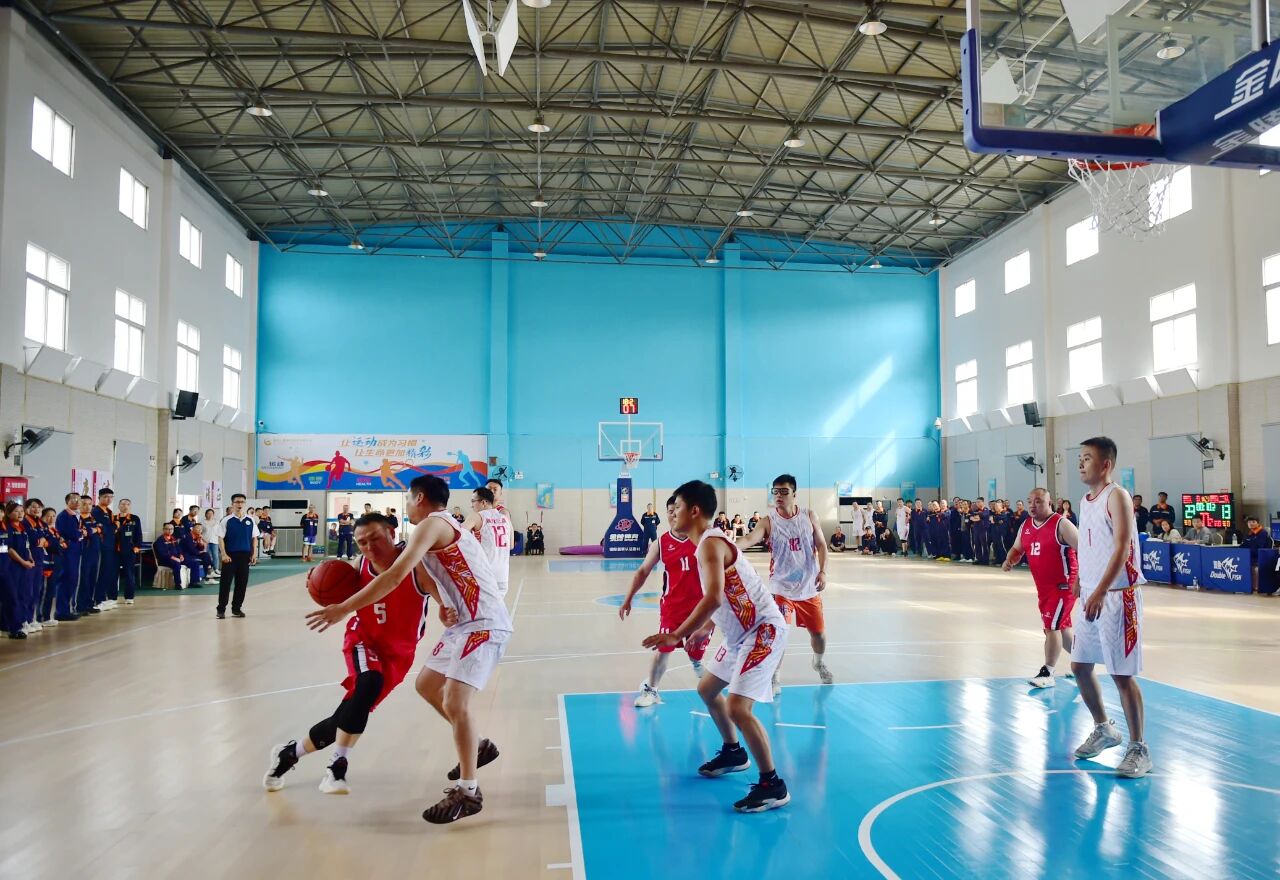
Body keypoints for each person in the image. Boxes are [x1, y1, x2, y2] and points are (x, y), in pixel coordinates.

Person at [306, 474, 513, 825]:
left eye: (407, 499)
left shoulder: (433, 524)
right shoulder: (440, 527)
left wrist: (343, 608)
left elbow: (394, 576)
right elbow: (438, 577)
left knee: (455, 702)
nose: (405, 506)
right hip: (463, 623)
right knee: (427, 685)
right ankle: (478, 745)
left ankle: (468, 791)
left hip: (483, 622)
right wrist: (444, 605)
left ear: (418, 498)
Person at [642, 480, 790, 813]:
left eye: (678, 507)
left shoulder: (710, 543)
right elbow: (727, 593)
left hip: (763, 630)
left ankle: (773, 785)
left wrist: (677, 634)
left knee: (738, 708)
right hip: (740, 635)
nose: (673, 513)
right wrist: (707, 627)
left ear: (694, 511)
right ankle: (734, 752)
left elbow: (711, 598)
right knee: (707, 689)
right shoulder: (706, 545)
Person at [265, 513, 435, 796]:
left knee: (344, 718)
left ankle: (289, 753)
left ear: (392, 533)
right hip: (363, 640)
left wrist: (448, 609)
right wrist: (322, 584)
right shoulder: (359, 565)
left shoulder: (415, 563)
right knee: (369, 682)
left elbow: (439, 594)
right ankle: (336, 769)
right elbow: (336, 583)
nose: (369, 547)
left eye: (375, 538)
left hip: (399, 655)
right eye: (361, 542)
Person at [1071, 437, 1150, 778]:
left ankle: (1139, 747)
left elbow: (1121, 547)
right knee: (1079, 666)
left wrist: (1101, 589)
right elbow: (1089, 546)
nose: (1080, 463)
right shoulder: (1084, 500)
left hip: (1117, 595)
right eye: (1080, 458)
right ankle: (1104, 728)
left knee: (1121, 674)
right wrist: (1081, 581)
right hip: (1091, 593)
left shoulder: (1117, 496)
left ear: (1105, 464)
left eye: (1087, 458)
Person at [736, 473, 831, 692]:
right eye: (775, 492)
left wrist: (823, 572)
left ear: (794, 494)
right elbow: (749, 539)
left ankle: (818, 662)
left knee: (818, 634)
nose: (779, 495)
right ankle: (774, 676)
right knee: (779, 634)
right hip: (781, 588)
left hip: (808, 587)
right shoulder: (768, 521)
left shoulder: (809, 516)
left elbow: (822, 545)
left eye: (784, 491)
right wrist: (727, 545)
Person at [621, 496, 714, 707]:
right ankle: (651, 690)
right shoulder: (661, 543)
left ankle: (696, 660)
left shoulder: (703, 539)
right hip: (672, 608)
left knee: (696, 647)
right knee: (663, 649)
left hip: (701, 608)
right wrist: (628, 598)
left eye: (677, 510)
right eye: (670, 511)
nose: (673, 514)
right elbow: (642, 571)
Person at [1003, 489, 1079, 689]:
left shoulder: (1061, 524)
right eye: (1030, 501)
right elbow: (1018, 548)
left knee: (1051, 627)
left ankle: (1048, 672)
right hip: (1044, 589)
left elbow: (1085, 550)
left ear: (1049, 502)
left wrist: (1080, 580)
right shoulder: (1026, 526)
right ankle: (1083, 663)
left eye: (1038, 501)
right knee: (1062, 628)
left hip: (1063, 587)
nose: (1032, 505)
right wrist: (1009, 560)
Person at [464, 487, 511, 596]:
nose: (471, 505)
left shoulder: (477, 516)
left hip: (484, 575)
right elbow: (511, 544)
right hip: (502, 575)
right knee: (497, 606)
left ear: (483, 502)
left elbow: (457, 536)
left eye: (473, 501)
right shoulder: (505, 518)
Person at [217, 494, 258, 619]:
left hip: (244, 556)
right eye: (237, 502)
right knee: (225, 584)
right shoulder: (226, 520)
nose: (240, 504)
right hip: (230, 556)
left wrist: (254, 553)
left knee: (242, 584)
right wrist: (224, 554)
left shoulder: (250, 520)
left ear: (245, 504)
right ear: (232, 504)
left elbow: (254, 538)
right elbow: (220, 538)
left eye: (242, 502)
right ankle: (221, 609)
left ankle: (236, 608)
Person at [3, 502, 35, 638]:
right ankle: (12, 626)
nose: (20, 514)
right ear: (8, 513)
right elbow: (9, 549)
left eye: (22, 511)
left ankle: (23, 621)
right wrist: (22, 561)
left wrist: (30, 558)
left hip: (25, 566)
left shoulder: (22, 527)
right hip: (13, 566)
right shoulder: (8, 528)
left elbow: (27, 546)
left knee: (24, 594)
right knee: (13, 596)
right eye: (16, 511)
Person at [53, 493, 82, 622]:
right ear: (67, 502)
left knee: (72, 580)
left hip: (75, 550)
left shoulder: (76, 515)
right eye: (73, 499)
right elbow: (72, 534)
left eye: (78, 499)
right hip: (68, 551)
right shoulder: (64, 516)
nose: (77, 502)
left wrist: (81, 533)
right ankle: (61, 611)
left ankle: (67, 609)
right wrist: (81, 533)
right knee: (66, 580)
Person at [37, 507, 66, 625]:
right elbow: (50, 545)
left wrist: (59, 544)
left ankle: (47, 616)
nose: (51, 518)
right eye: (48, 516)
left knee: (51, 591)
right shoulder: (42, 531)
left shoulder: (55, 531)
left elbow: (60, 545)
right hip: (46, 564)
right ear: (42, 517)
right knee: (43, 590)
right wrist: (56, 544)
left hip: (56, 564)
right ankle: (40, 617)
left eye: (53, 516)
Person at [91, 488, 119, 611]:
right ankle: (98, 600)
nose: (109, 499)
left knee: (107, 572)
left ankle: (102, 597)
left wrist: (113, 526)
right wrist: (115, 526)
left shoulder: (109, 511)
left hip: (110, 545)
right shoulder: (96, 511)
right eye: (106, 497)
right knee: (101, 572)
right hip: (102, 545)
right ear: (99, 498)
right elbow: (104, 529)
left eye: (111, 497)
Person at [22, 500, 47, 633]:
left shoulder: (40, 523)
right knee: (27, 591)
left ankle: (31, 619)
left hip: (39, 560)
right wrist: (39, 540)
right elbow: (30, 540)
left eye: (39, 507)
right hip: (29, 560)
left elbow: (46, 537)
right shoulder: (24, 523)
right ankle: (24, 620)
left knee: (36, 590)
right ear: (26, 509)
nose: (36, 509)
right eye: (33, 507)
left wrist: (44, 541)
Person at [78, 497, 103, 615]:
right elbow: (85, 531)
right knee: (84, 579)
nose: (87, 506)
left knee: (93, 579)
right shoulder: (77, 518)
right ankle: (80, 605)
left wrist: (96, 529)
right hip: (84, 552)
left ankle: (89, 603)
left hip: (95, 552)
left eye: (89, 504)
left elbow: (102, 528)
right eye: (84, 504)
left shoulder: (93, 518)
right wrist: (94, 529)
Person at [115, 499, 143, 603]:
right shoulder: (114, 518)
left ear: (130, 506)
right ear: (119, 506)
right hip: (115, 551)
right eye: (123, 504)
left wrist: (137, 547)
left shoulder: (135, 518)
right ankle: (112, 597)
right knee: (113, 574)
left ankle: (129, 597)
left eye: (127, 504)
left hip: (129, 551)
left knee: (129, 574)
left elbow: (138, 534)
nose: (125, 506)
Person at [156, 523, 199, 588]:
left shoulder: (174, 538)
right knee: (177, 564)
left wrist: (181, 555)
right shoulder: (160, 540)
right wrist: (174, 558)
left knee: (194, 563)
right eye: (167, 529)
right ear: (163, 530)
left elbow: (179, 549)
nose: (170, 530)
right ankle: (178, 584)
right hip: (166, 559)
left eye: (171, 529)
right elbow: (162, 553)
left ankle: (193, 582)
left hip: (177, 558)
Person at [969, 497, 991, 565]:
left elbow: (980, 517)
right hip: (976, 530)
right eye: (976, 502)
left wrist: (976, 518)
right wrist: (976, 518)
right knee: (977, 545)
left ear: (982, 502)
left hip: (983, 530)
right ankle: (979, 559)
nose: (977, 503)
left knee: (984, 545)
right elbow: (971, 517)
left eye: (979, 502)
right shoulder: (975, 510)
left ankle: (985, 560)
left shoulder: (986, 510)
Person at [202, 508, 221, 577]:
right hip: (205, 541)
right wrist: (203, 540)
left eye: (211, 514)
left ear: (213, 515)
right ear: (205, 514)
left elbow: (219, 531)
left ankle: (216, 569)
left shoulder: (217, 522)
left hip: (215, 541)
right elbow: (200, 532)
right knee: (208, 556)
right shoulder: (202, 522)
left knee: (215, 555)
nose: (210, 515)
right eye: (208, 513)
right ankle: (209, 570)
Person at [991, 500, 1010, 564]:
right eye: (995, 506)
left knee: (1002, 546)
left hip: (1001, 533)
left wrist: (994, 520)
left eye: (997, 506)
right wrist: (995, 520)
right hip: (995, 532)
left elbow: (998, 520)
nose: (995, 507)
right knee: (996, 546)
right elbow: (993, 520)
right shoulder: (995, 514)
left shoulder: (1004, 513)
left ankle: (1005, 560)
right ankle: (998, 560)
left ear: (1001, 506)